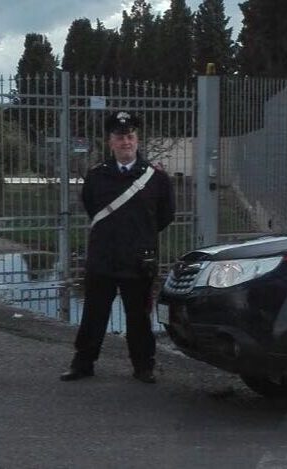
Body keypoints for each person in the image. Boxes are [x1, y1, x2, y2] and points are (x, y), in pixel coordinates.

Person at [60, 111, 175, 384]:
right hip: (103, 258)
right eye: (120, 137)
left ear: (137, 140)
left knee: (139, 318)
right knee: (93, 314)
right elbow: (91, 207)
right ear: (110, 142)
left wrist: (139, 237)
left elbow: (165, 215)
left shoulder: (155, 178)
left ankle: (143, 366)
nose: (126, 142)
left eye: (131, 137)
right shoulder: (97, 176)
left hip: (137, 260)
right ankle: (83, 363)